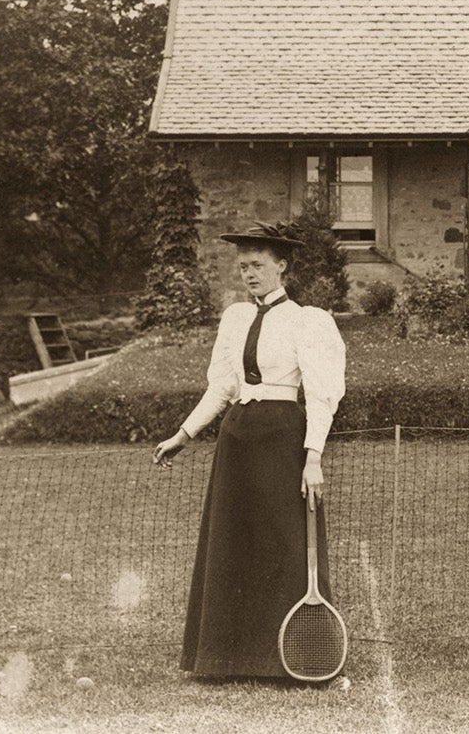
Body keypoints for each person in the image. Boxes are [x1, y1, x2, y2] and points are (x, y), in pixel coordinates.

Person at [151, 224, 347, 679]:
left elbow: (321, 394)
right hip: (236, 439)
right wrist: (184, 434)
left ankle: (296, 658)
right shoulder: (234, 319)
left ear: (282, 266)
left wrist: (313, 456)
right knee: (231, 541)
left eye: (258, 265)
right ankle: (226, 659)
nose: (250, 274)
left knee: (285, 541)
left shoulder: (308, 320)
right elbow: (222, 386)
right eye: (243, 266)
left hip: (283, 439)